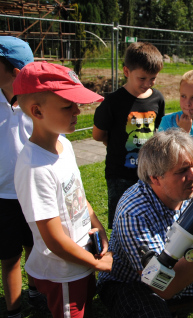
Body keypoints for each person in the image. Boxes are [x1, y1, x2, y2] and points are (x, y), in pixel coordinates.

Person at [97, 128, 193, 317]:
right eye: (182, 171)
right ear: (155, 178)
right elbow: (162, 286)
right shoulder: (134, 212)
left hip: (183, 261)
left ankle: (175, 307)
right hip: (133, 283)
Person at [13, 61, 113, 318]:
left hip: (83, 257)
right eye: (67, 106)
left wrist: (98, 227)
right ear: (37, 111)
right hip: (64, 272)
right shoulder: (35, 168)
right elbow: (54, 240)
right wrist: (95, 263)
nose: (77, 111)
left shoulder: (64, 146)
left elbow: (78, 197)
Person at [93, 42, 165, 229]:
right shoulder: (112, 102)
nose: (147, 83)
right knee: (121, 222)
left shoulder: (158, 99)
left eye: (152, 79)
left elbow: (155, 131)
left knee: (149, 219)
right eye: (142, 78)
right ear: (126, 71)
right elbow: (97, 134)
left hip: (149, 174)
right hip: (119, 174)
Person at [0, 36, 48, 318]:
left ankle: (35, 292)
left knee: (34, 247)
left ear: (15, 73)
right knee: (8, 257)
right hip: (3, 196)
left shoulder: (36, 102)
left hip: (32, 192)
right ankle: (14, 309)